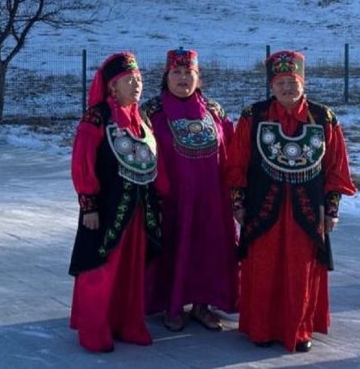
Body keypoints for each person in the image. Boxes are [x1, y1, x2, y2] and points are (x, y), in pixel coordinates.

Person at [224, 50, 356, 353]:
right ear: (271, 86)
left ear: (303, 83)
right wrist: (238, 203)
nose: (287, 88)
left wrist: (331, 209)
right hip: (262, 206)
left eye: (292, 82)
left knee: (301, 268)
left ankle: (298, 330)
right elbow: (236, 164)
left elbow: (336, 168)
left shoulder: (323, 117)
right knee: (263, 266)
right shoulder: (253, 116)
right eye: (280, 82)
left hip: (308, 209)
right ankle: (261, 328)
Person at [68, 51, 168, 353]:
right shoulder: (97, 117)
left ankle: (128, 323)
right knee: (101, 268)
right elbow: (83, 161)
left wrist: (161, 196)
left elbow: (154, 160)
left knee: (131, 269)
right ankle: (94, 329)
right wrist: (89, 205)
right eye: (129, 80)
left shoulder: (142, 118)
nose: (137, 85)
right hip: (106, 207)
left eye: (139, 79)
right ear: (112, 85)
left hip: (139, 208)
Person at [142, 48, 239, 332]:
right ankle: (171, 306)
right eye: (177, 72)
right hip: (171, 199)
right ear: (166, 76)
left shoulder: (214, 111)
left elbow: (232, 150)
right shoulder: (151, 112)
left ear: (198, 77)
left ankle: (202, 305)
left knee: (208, 249)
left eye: (189, 73)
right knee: (173, 248)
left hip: (212, 198)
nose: (183, 78)